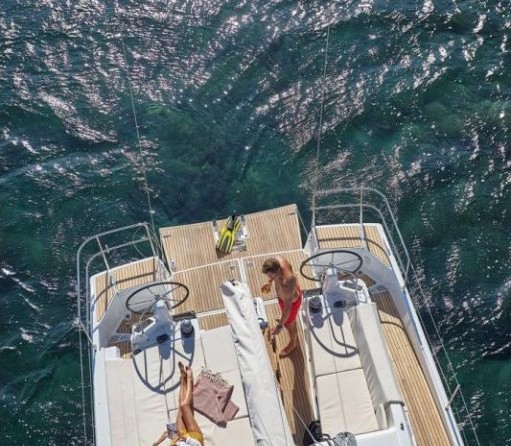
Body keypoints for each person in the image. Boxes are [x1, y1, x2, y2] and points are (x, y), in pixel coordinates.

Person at [153, 362, 204, 446]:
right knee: (184, 406)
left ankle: (183, 379)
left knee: (181, 409)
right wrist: (183, 437)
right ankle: (189, 380)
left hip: (180, 439)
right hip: (195, 441)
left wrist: (157, 442)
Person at [261, 256, 303, 358]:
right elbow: (277, 272)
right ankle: (284, 320)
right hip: (283, 299)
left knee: (290, 325)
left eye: (270, 275)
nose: (269, 277)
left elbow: (287, 309)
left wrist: (279, 327)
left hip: (291, 304)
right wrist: (269, 282)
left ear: (277, 271)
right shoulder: (278, 260)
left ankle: (293, 343)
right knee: (285, 319)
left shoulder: (287, 284)